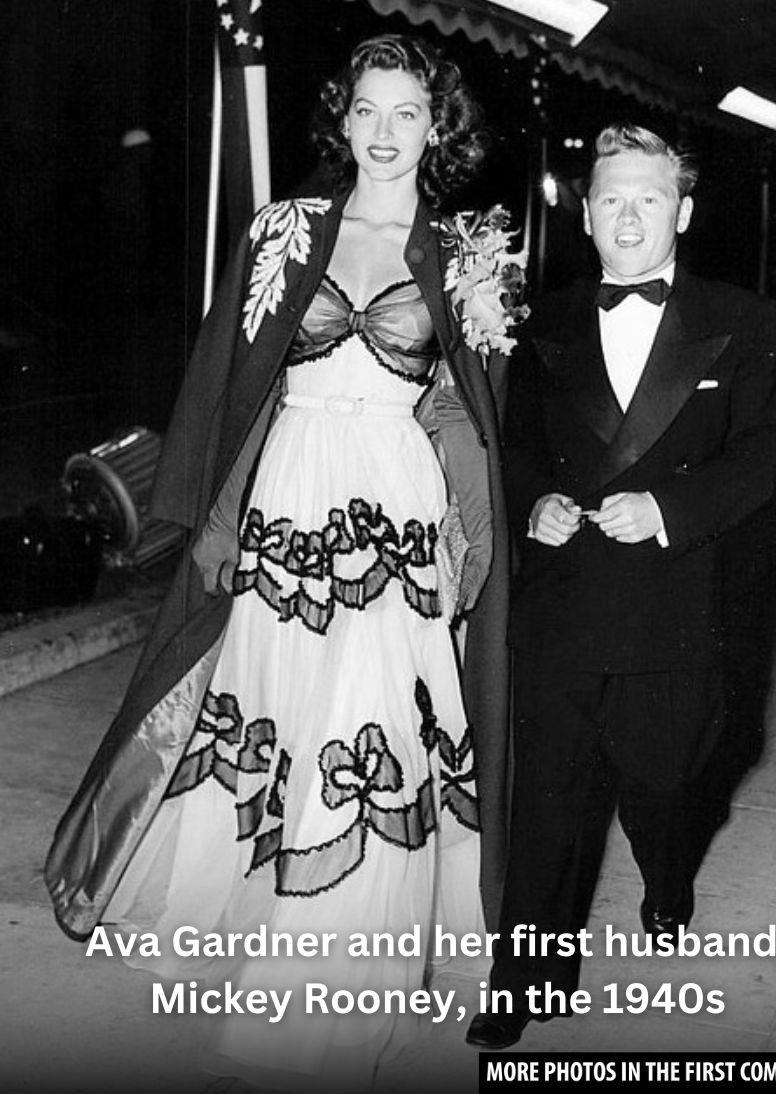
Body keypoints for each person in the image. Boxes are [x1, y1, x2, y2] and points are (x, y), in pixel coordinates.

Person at [45, 34, 510, 1090]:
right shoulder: (281, 230)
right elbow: (232, 384)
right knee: (277, 711)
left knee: (369, 725)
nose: (384, 132)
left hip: (396, 512)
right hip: (286, 503)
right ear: (341, 118)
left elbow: (466, 412)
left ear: (436, 128)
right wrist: (212, 518)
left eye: (407, 112)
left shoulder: (466, 250)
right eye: (367, 109)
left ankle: (324, 1007)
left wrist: (472, 533)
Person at [467, 123, 776, 1049]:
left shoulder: (744, 321)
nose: (627, 216)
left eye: (648, 198)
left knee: (664, 783)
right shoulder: (541, 322)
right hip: (564, 603)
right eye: (609, 197)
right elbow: (515, 444)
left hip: (675, 604)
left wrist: (666, 508)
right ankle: (520, 983)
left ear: (681, 213)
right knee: (545, 802)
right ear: (584, 214)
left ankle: (666, 875)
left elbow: (770, 447)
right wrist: (533, 501)